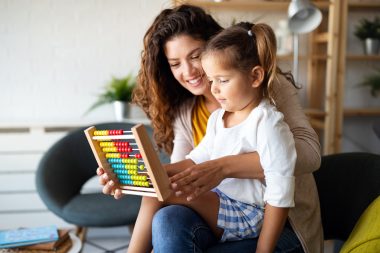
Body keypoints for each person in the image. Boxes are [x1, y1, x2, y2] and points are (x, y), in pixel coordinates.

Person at [97, 4, 323, 253]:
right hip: (223, 210)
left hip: (277, 221)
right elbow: (188, 168)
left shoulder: (265, 95)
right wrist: (135, 175)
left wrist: (223, 167)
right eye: (175, 63)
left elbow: (308, 156)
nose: (189, 71)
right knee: (165, 213)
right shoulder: (202, 115)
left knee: (161, 197)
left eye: (195, 56)